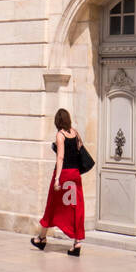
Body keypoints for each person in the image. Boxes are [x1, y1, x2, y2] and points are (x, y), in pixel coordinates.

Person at [31, 108, 85, 257]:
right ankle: (77, 242)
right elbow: (79, 147)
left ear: (57, 121)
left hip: (64, 174)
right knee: (76, 207)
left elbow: (60, 157)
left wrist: (56, 179)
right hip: (75, 175)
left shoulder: (60, 135)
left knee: (52, 205)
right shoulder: (75, 133)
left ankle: (41, 238)